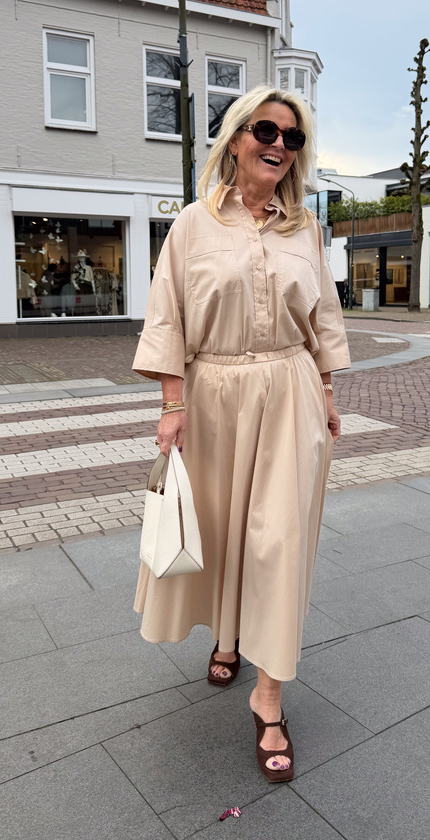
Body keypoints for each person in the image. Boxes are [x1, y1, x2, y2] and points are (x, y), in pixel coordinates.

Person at [132, 84, 350, 782]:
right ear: (235, 139)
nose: (279, 145)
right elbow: (167, 315)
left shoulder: (306, 230)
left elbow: (325, 320)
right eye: (266, 130)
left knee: (279, 542)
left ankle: (269, 695)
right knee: (222, 531)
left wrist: (328, 391)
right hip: (213, 393)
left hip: (289, 393)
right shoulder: (193, 224)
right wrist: (172, 404)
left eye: (293, 137)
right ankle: (226, 637)